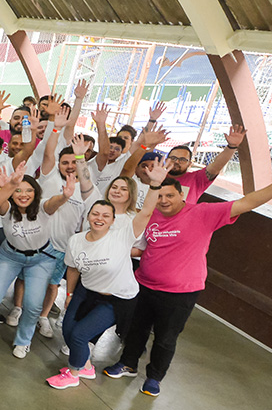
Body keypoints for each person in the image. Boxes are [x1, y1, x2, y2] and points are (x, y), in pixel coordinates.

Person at [105, 168, 272, 397]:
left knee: (165, 338)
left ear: (182, 195)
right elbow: (142, 247)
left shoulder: (204, 213)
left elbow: (246, 202)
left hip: (180, 293)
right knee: (136, 329)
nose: (163, 201)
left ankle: (154, 378)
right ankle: (128, 364)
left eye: (170, 195)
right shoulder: (150, 215)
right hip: (144, 284)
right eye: (160, 196)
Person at [46, 159, 163, 390]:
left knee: (80, 335)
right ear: (88, 216)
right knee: (68, 329)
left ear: (112, 221)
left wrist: (156, 184)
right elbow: (72, 268)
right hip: (86, 290)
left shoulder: (122, 235)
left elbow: (147, 211)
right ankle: (86, 365)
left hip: (116, 298)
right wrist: (69, 293)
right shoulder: (77, 239)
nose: (99, 218)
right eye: (95, 214)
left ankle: (75, 372)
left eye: (105, 216)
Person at [0, 169, 76, 359]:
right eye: (18, 190)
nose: (23, 195)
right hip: (9, 256)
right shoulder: (7, 209)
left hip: (41, 259)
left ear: (35, 193)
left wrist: (65, 196)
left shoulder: (43, 208)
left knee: (33, 303)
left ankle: (23, 340)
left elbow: (54, 203)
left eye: (28, 190)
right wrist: (5, 187)